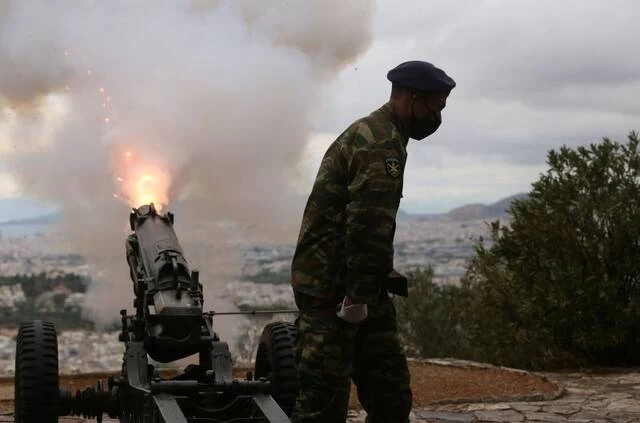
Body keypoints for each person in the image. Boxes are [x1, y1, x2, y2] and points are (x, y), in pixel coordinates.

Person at [289, 60, 456, 423]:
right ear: (411, 97)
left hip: (359, 288)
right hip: (333, 291)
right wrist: (357, 297)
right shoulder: (379, 141)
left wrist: (366, 292)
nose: (437, 116)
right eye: (434, 106)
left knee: (391, 396)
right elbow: (368, 223)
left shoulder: (384, 134)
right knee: (322, 405)